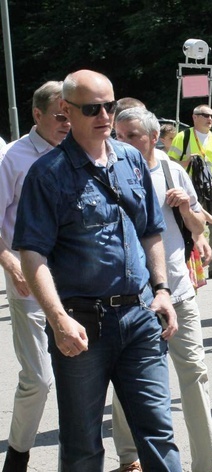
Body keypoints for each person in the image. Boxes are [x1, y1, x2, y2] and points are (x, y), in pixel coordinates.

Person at [12, 69, 181, 471]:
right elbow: (32, 255)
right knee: (83, 444)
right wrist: (57, 320)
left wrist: (162, 290)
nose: (105, 115)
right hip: (82, 326)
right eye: (93, 109)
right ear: (68, 111)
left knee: (158, 433)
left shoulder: (131, 160)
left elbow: (152, 232)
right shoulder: (47, 174)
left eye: (109, 105)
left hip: (140, 317)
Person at [113, 108, 212, 472]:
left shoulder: (173, 170)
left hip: (178, 289)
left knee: (195, 370)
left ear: (154, 138)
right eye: (118, 135)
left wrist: (186, 207)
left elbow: (200, 223)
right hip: (130, 293)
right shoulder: (110, 173)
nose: (121, 142)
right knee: (128, 376)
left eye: (130, 135)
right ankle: (129, 457)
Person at [0, 81, 70, 471]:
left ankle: (76, 457)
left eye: (69, 114)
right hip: (28, 285)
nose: (66, 123)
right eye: (59, 116)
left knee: (80, 377)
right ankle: (18, 455)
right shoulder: (13, 158)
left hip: (75, 284)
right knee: (39, 379)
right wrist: (11, 264)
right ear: (37, 115)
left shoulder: (79, 152)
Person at [168, 105, 212, 279]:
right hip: (190, 187)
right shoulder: (183, 137)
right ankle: (195, 265)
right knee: (194, 226)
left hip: (211, 186)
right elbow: (171, 164)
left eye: (211, 115)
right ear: (194, 117)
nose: (209, 119)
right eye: (205, 115)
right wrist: (188, 161)